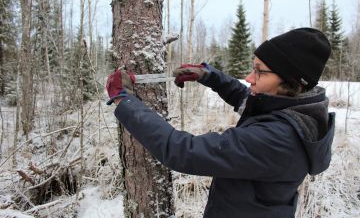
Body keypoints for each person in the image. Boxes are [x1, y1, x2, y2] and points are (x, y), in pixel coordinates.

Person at [106, 27, 335, 218]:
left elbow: (183, 151)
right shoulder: (298, 111)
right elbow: (249, 101)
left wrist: (124, 101)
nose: (248, 78)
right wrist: (210, 76)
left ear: (290, 81)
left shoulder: (276, 140)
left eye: (259, 72)